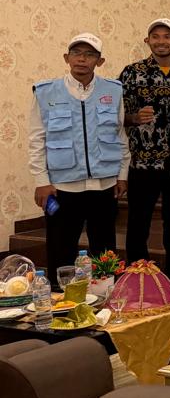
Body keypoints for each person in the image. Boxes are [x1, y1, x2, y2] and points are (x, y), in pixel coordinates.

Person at [29, 33, 128, 271]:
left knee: (105, 253)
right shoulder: (45, 92)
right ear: (67, 58)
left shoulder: (113, 90)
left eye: (89, 54)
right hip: (63, 187)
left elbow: (120, 134)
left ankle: (106, 293)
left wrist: (122, 174)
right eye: (76, 53)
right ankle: (60, 293)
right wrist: (42, 181)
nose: (82, 59)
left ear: (100, 61)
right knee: (60, 250)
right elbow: (36, 139)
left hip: (104, 185)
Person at [118, 17, 170, 265]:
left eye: (167, 37)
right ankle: (136, 272)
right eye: (155, 36)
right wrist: (133, 117)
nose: (161, 42)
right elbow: (116, 116)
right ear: (147, 40)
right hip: (143, 160)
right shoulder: (132, 72)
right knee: (138, 221)